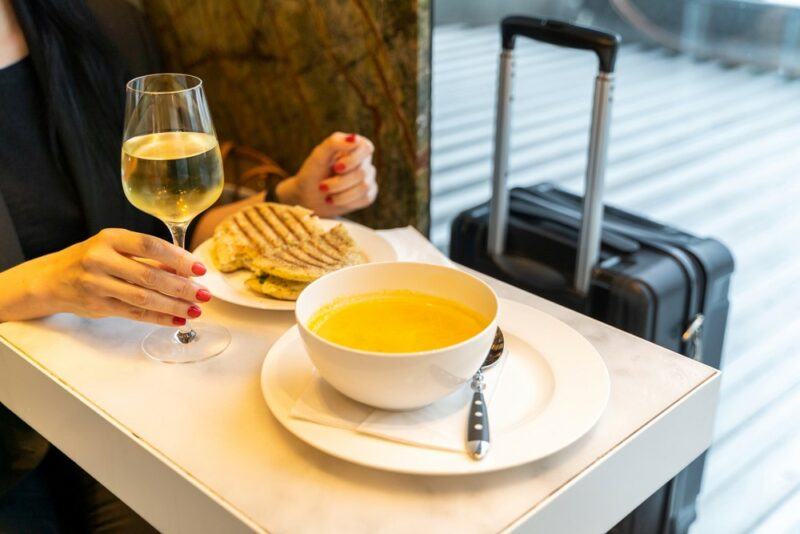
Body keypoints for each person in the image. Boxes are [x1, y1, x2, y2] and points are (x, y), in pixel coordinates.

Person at [0, 0, 378, 530]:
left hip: (125, 398)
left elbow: (166, 228)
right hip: (17, 446)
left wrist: (293, 200)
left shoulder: (101, 25)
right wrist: (42, 283)